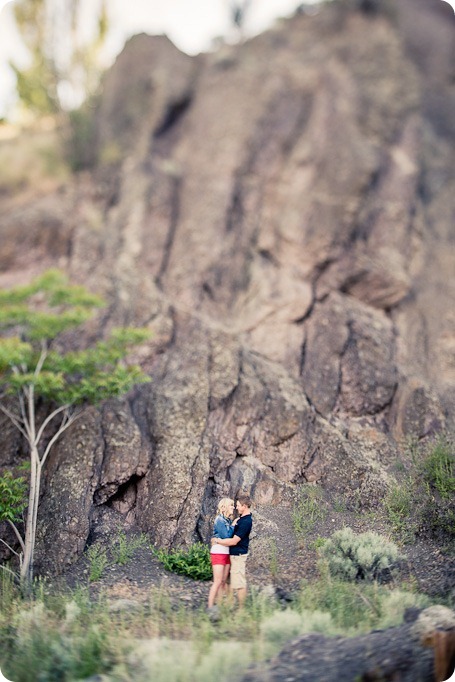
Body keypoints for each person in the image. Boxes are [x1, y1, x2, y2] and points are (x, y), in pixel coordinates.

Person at [211, 493, 252, 608]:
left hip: (237, 555)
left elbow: (232, 540)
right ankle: (224, 605)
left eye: (237, 505)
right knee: (224, 582)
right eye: (234, 505)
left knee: (239, 583)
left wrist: (217, 540)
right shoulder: (234, 520)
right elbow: (227, 535)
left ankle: (240, 609)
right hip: (229, 554)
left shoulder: (245, 522)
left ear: (244, 506)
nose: (235, 507)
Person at [207, 497, 235, 610]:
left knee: (223, 581)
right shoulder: (219, 520)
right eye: (231, 505)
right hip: (218, 552)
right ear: (223, 508)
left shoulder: (227, 520)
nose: (233, 507)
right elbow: (227, 536)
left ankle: (220, 606)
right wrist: (234, 525)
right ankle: (210, 607)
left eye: (233, 505)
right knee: (218, 581)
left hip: (227, 552)